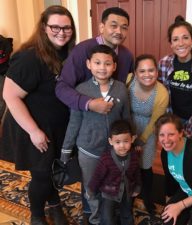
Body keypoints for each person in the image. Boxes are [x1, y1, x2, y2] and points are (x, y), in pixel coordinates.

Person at [0, 5, 76, 225]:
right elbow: (10, 96)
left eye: (67, 28)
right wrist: (34, 131)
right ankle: (37, 214)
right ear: (44, 28)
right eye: (55, 27)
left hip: (56, 126)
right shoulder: (29, 57)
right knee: (41, 175)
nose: (62, 32)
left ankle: (54, 205)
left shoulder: (68, 53)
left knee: (50, 170)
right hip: (33, 127)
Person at [60, 44, 131, 225]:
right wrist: (66, 150)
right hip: (88, 151)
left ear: (114, 66)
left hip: (114, 152)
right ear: (88, 64)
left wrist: (131, 141)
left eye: (107, 63)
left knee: (112, 186)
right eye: (97, 63)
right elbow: (74, 121)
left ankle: (109, 215)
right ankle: (95, 218)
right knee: (91, 188)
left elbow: (126, 117)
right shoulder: (81, 90)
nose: (102, 67)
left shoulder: (122, 89)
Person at [56, 7, 134, 114]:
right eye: (113, 26)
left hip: (115, 118)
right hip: (85, 116)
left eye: (124, 28)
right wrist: (89, 104)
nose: (119, 31)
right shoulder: (81, 51)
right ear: (102, 27)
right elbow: (62, 87)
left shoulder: (127, 56)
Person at [126, 54, 168, 214]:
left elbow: (155, 121)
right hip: (127, 123)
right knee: (126, 163)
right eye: (142, 71)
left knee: (145, 166)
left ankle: (147, 198)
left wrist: (140, 140)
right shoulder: (128, 80)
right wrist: (128, 135)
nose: (147, 74)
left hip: (148, 129)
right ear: (135, 73)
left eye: (151, 70)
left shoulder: (162, 93)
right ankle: (128, 198)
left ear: (157, 72)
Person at [88, 119, 141, 225]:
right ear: (110, 141)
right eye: (118, 142)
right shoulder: (106, 159)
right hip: (108, 194)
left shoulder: (134, 156)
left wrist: (138, 187)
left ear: (132, 139)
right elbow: (97, 175)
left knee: (127, 214)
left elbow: (137, 173)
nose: (122, 146)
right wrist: (91, 190)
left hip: (127, 192)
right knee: (107, 217)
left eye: (126, 141)